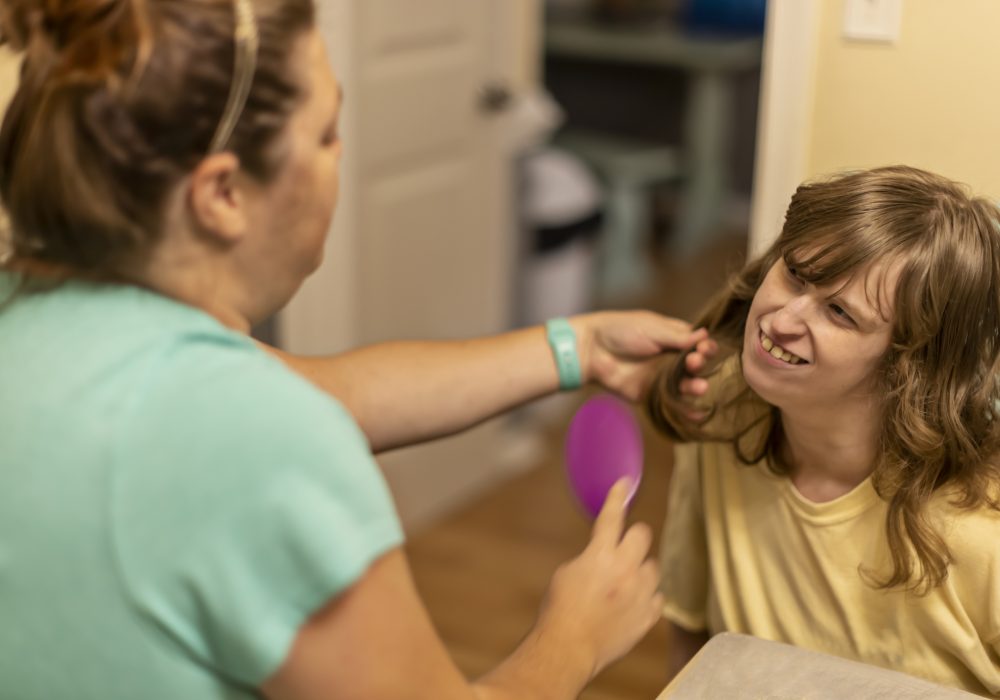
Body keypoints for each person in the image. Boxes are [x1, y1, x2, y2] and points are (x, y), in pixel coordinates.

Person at [0, 1, 712, 698]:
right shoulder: (249, 438)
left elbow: (336, 395)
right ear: (222, 193)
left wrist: (576, 345)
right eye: (325, 134)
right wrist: (574, 637)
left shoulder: (37, 312)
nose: (343, 155)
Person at [646, 165, 1000, 695]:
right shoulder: (719, 414)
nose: (781, 320)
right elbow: (691, 635)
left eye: (839, 312)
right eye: (796, 274)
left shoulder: (981, 533)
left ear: (909, 366)